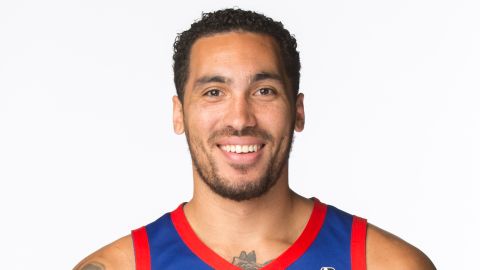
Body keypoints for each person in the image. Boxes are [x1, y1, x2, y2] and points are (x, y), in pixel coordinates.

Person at [74, 8, 436, 270]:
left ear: (298, 111)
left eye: (264, 91)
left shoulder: (387, 265)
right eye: (214, 92)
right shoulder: (118, 266)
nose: (240, 119)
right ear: (179, 114)